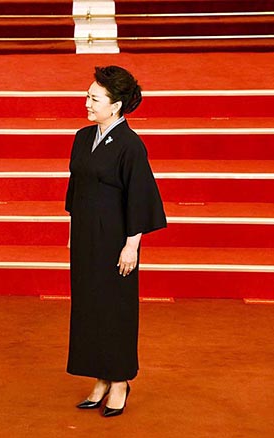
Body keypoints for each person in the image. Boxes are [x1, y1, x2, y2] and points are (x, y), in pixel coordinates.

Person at [65, 66, 166, 418]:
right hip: (85, 238)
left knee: (116, 311)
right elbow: (75, 191)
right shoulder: (81, 137)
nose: (87, 102)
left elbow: (139, 197)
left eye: (95, 98)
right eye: (88, 95)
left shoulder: (131, 146)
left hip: (115, 241)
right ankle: (101, 377)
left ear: (117, 105)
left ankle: (120, 379)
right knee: (89, 308)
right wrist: (72, 232)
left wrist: (131, 245)